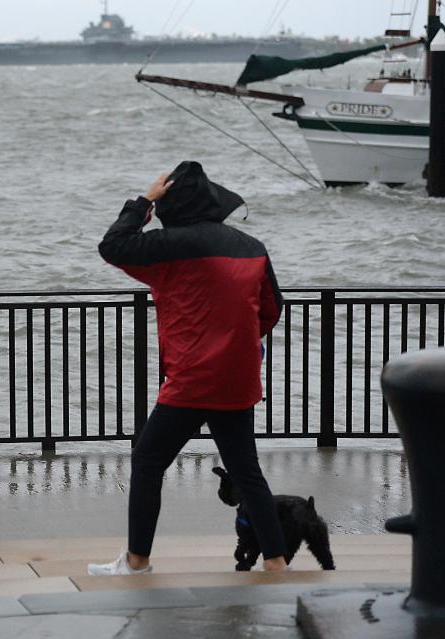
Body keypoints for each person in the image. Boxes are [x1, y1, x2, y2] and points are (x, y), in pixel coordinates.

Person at [88, 161, 288, 574]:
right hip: (238, 380)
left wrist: (144, 200)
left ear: (171, 204)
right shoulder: (253, 247)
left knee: (147, 463)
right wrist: (238, 341)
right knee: (247, 473)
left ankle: (137, 560)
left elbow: (113, 245)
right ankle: (276, 562)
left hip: (193, 380)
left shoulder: (169, 245)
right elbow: (271, 309)